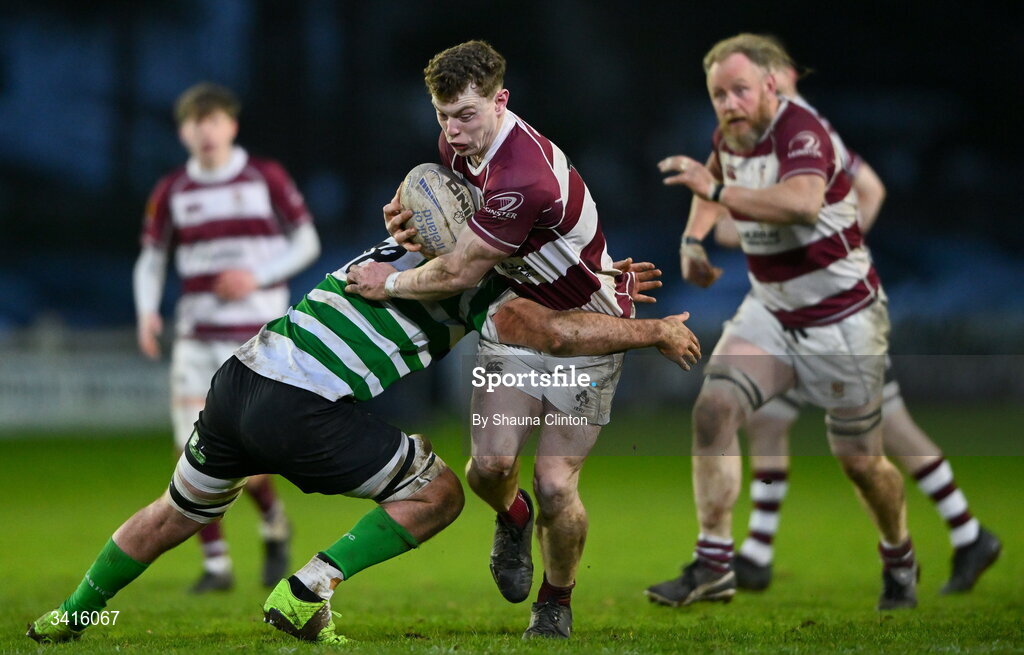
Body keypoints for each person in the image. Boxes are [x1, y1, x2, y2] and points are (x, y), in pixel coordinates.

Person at [28, 237, 701, 645]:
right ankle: (307, 587)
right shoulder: (474, 279)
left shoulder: (392, 245)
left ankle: (72, 615)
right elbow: (551, 333)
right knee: (438, 491)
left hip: (239, 379)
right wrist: (653, 331)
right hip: (302, 406)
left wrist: (594, 283)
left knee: (175, 509)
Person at [346, 40, 647, 639]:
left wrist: (391, 281)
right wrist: (409, 224)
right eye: (442, 116)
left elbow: (460, 271)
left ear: (500, 101)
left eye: (466, 115)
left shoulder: (522, 174)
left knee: (557, 484)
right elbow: (453, 236)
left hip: (587, 328)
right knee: (489, 468)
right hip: (516, 318)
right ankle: (513, 519)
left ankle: (555, 602)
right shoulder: (458, 151)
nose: (453, 132)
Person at [708, 38, 1000, 594]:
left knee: (877, 439)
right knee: (772, 417)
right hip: (797, 311)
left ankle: (963, 535)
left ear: (781, 79)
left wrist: (828, 254)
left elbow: (870, 190)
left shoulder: (808, 134)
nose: (740, 99)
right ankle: (758, 551)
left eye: (753, 84)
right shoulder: (761, 142)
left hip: (838, 314)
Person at [643, 33, 918, 611]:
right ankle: (715, 563)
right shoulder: (732, 136)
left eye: (739, 90)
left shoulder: (802, 130)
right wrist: (693, 239)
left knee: (862, 464)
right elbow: (712, 175)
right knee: (714, 410)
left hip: (842, 320)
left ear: (771, 85)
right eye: (718, 94)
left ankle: (899, 553)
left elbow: (802, 203)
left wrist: (714, 189)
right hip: (771, 308)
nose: (728, 104)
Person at [133, 82, 322, 592]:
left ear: (231, 126)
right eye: (196, 122)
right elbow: (152, 259)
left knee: (248, 455)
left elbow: (307, 240)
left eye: (214, 120)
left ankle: (274, 523)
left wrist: (255, 279)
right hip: (196, 336)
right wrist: (148, 312)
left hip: (253, 339)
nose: (205, 130)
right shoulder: (173, 190)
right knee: (188, 451)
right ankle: (216, 564)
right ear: (183, 132)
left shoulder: (265, 177)